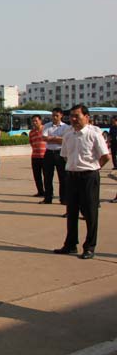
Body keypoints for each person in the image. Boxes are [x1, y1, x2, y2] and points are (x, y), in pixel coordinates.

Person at [53, 105, 110, 259]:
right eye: (71, 116)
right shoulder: (68, 134)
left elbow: (105, 156)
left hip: (89, 176)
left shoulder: (94, 134)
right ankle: (70, 244)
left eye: (76, 116)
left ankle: (89, 247)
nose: (73, 119)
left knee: (90, 213)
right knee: (71, 212)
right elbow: (65, 155)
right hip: (72, 176)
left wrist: (94, 168)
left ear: (86, 117)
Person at [41, 108, 70, 206]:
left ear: (61, 116)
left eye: (57, 115)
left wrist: (51, 138)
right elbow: (44, 138)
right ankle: (48, 198)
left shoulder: (66, 127)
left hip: (61, 153)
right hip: (49, 153)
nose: (54, 117)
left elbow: (65, 140)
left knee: (63, 177)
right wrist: (57, 138)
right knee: (47, 177)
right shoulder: (47, 126)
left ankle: (64, 199)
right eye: (53, 115)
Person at [28, 115, 47, 197]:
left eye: (36, 121)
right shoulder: (31, 132)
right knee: (37, 176)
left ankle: (48, 192)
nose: (34, 123)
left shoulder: (46, 130)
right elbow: (31, 143)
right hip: (35, 157)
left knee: (47, 176)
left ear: (40, 121)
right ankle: (40, 191)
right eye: (33, 121)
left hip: (45, 156)